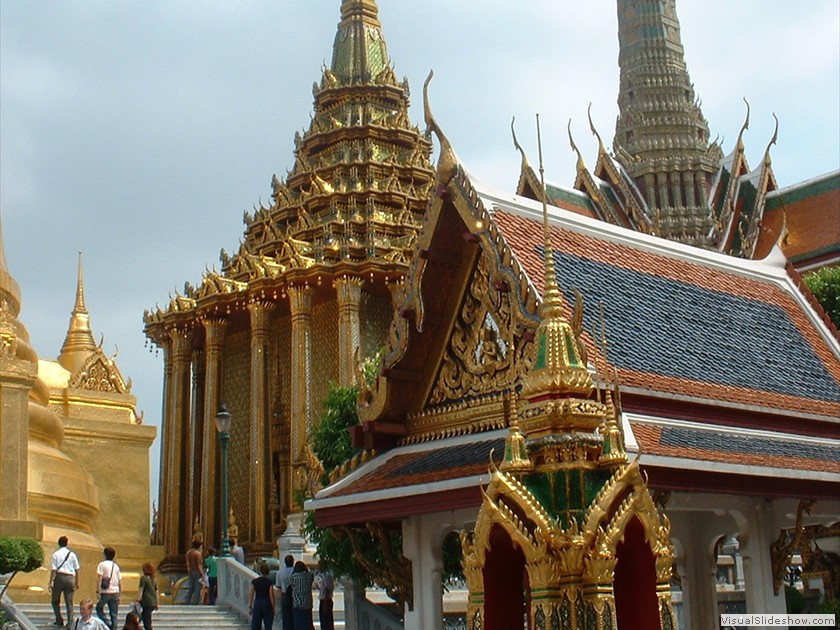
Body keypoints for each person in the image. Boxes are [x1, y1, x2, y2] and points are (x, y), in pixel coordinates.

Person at [50, 535, 81, 628]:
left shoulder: (56, 554)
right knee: (69, 602)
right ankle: (70, 622)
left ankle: (59, 619)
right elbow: (77, 569)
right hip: (70, 578)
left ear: (59, 543)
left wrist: (50, 581)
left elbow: (54, 569)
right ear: (66, 543)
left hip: (59, 577)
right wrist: (77, 581)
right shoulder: (72, 554)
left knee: (55, 600)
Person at [95, 547, 122, 629]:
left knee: (99, 608)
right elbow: (119, 581)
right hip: (115, 591)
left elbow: (99, 578)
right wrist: (120, 594)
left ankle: (107, 624)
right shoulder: (116, 566)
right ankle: (114, 628)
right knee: (114, 613)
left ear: (105, 555)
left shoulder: (102, 564)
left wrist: (98, 591)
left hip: (105, 591)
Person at [248, 562, 275, 630]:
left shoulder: (254, 582)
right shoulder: (269, 582)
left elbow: (251, 594)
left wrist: (250, 606)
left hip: (258, 601)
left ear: (260, 571)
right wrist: (273, 607)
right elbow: (271, 596)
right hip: (266, 602)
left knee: (256, 624)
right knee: (268, 623)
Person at [290, 561, 314, 630]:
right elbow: (311, 574)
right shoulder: (309, 576)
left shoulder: (293, 577)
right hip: (307, 604)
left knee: (298, 625)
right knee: (308, 625)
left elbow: (286, 583)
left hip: (297, 604)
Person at [275, 554, 295, 630]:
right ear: (293, 562)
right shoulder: (295, 571)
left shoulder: (279, 573)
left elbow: (279, 587)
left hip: (285, 595)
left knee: (286, 619)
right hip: (295, 596)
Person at [137, 562, 158, 630]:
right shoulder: (154, 580)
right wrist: (157, 603)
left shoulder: (144, 578)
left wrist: (138, 599)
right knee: (146, 618)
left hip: (146, 601)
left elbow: (141, 589)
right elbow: (156, 592)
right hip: (153, 602)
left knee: (147, 621)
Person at [315, 561, 335, 630]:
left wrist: (325, 604)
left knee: (326, 622)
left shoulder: (326, 575)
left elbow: (327, 589)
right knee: (324, 622)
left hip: (325, 601)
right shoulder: (322, 575)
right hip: (323, 600)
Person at [184, 540, 204, 605]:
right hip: (197, 571)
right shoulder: (198, 554)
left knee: (191, 587)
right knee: (197, 588)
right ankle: (195, 602)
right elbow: (199, 565)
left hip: (190, 570)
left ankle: (187, 601)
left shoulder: (188, 552)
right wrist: (202, 574)